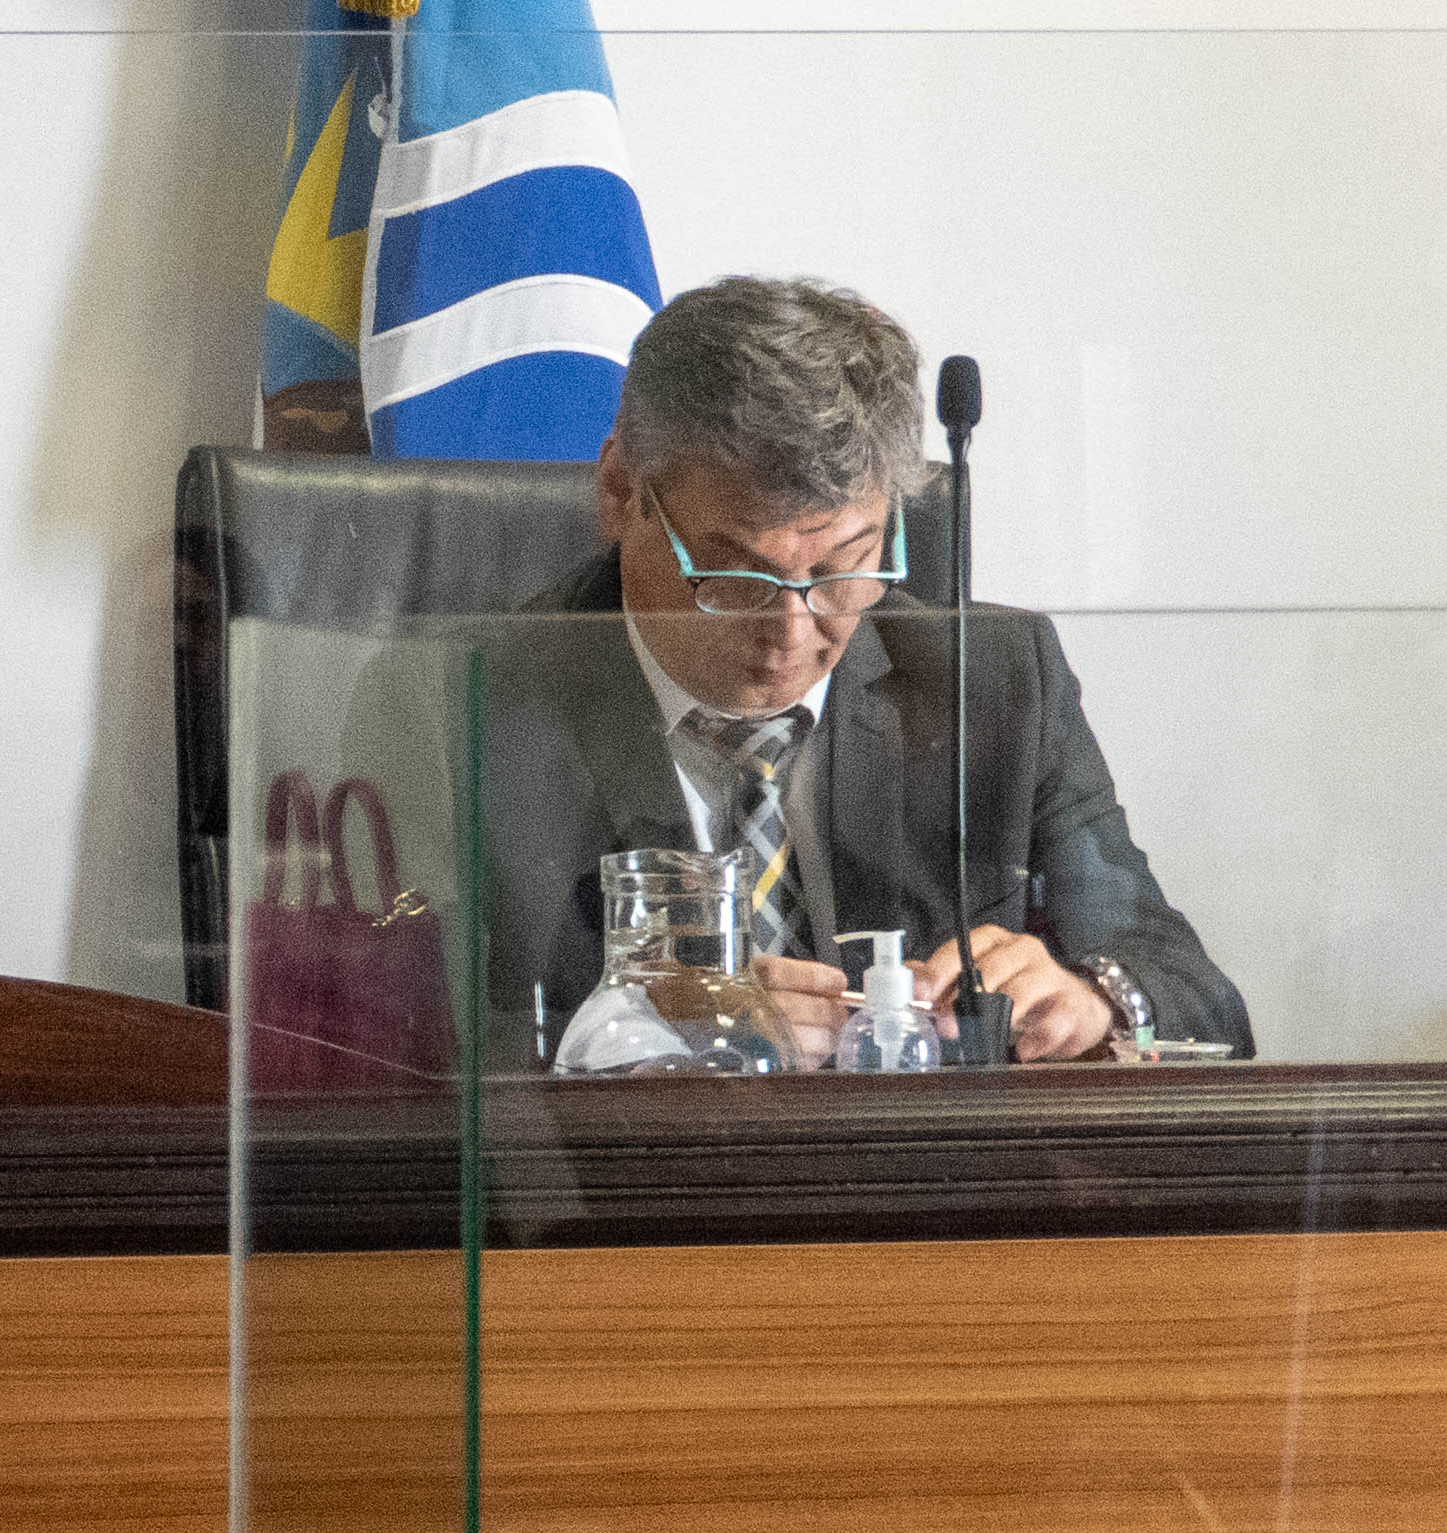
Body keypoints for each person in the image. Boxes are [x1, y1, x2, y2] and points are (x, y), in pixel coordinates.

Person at [506, 274, 1248, 1065]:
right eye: (735, 574)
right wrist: (660, 1034)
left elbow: (1197, 996)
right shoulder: (466, 705)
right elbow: (399, 1039)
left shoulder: (997, 685)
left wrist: (1097, 995)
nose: (790, 631)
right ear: (621, 490)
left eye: (842, 567)